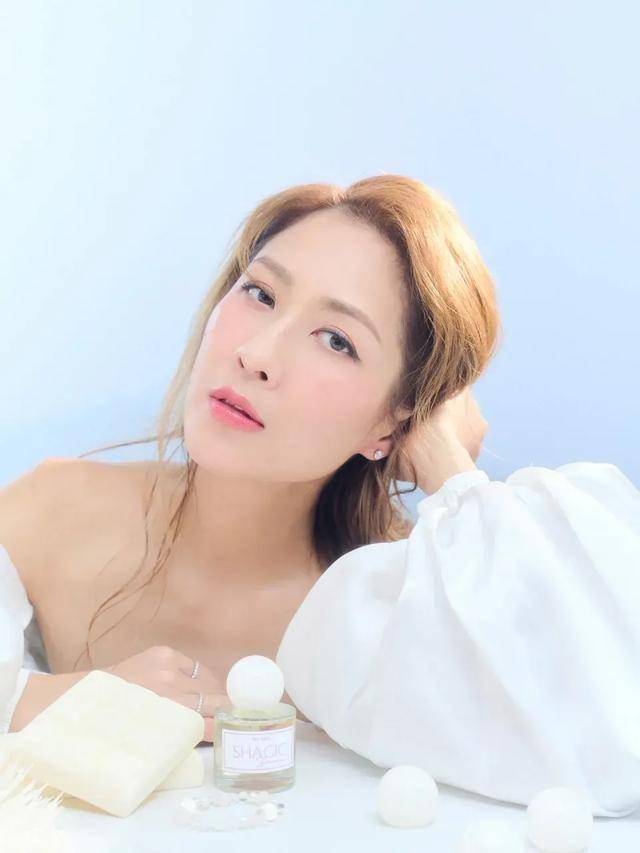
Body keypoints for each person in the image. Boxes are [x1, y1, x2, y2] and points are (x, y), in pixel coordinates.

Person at [1, 175, 639, 817]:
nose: (256, 355)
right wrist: (52, 699)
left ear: (393, 422)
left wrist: (451, 472)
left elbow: (609, 746)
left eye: (337, 340)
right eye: (260, 293)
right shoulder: (55, 513)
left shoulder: (388, 614)